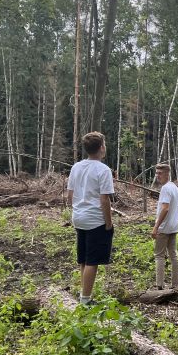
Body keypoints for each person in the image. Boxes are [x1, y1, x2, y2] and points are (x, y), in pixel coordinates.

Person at [67, 131, 115, 305]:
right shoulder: (103, 170)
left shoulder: (76, 167)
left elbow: (70, 195)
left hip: (78, 217)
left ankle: (84, 293)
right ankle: (85, 300)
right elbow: (104, 199)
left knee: (84, 259)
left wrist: (78, 209)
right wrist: (108, 223)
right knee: (92, 261)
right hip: (95, 220)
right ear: (101, 147)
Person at [152, 163, 178, 290]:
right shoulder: (174, 187)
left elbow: (165, 209)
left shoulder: (165, 189)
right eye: (156, 173)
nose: (157, 175)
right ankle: (175, 284)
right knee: (173, 254)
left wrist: (156, 227)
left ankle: (159, 285)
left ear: (167, 174)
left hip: (164, 228)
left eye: (160, 173)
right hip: (173, 226)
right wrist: (175, 218)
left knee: (159, 255)